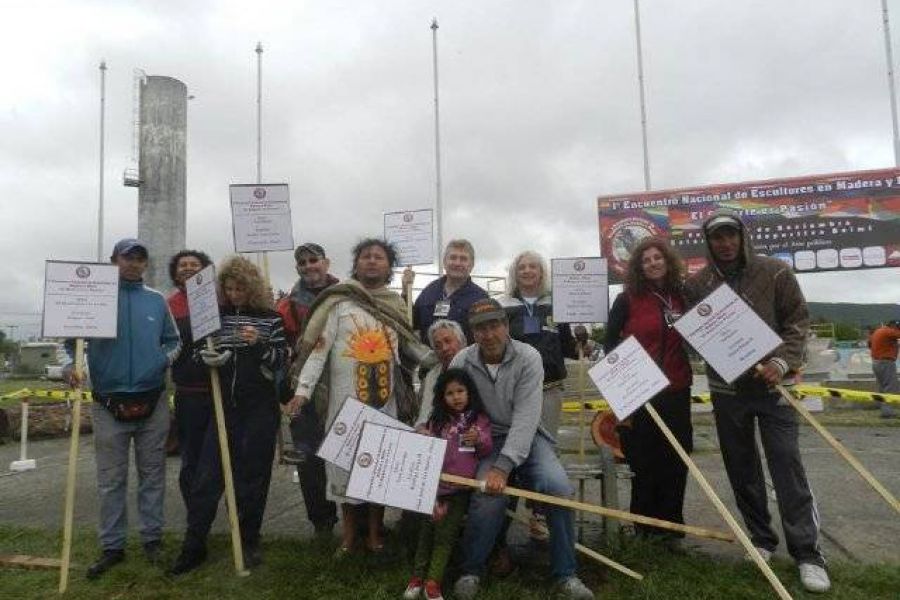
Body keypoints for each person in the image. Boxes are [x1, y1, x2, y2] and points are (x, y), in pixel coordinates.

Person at [684, 210, 830, 593]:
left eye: (731, 235)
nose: (725, 243)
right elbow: (693, 333)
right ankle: (761, 540)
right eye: (717, 237)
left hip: (773, 390)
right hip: (727, 392)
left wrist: (782, 362)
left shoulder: (776, 272)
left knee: (787, 467)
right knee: (741, 468)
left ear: (742, 236)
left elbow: (797, 321)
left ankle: (808, 554)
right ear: (708, 242)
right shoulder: (698, 285)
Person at [286, 238, 431, 556]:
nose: (372, 261)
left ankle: (375, 534)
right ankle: (349, 536)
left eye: (379, 257)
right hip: (343, 403)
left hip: (384, 401)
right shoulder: (337, 302)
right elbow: (319, 350)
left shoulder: (395, 303)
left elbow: (409, 346)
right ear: (357, 263)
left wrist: (438, 362)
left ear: (388, 266)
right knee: (343, 466)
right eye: (366, 256)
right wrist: (303, 391)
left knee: (378, 468)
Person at [450, 298, 594, 600]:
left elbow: (527, 416)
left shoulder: (529, 357)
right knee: (487, 496)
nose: (488, 335)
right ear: (473, 332)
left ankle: (566, 575)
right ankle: (471, 570)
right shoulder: (462, 360)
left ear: (506, 326)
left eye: (494, 326)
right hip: (486, 439)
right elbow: (446, 402)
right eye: (480, 329)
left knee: (558, 488)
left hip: (529, 437)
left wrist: (503, 467)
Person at [65, 238, 181, 580]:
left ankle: (152, 540)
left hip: (152, 401)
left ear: (145, 264)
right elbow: (68, 345)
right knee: (111, 480)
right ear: (113, 260)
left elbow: (174, 341)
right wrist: (69, 368)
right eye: (126, 258)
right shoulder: (93, 299)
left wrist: (161, 361)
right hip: (107, 403)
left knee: (153, 476)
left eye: (139, 259)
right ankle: (112, 546)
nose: (133, 264)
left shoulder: (157, 301)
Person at [170, 256, 289, 574]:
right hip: (222, 408)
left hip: (259, 410)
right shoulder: (212, 317)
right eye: (229, 288)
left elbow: (279, 361)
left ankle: (249, 540)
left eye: (239, 288)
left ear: (251, 288)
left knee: (252, 480)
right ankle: (194, 545)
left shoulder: (270, 318)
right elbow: (193, 355)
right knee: (206, 480)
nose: (234, 294)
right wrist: (205, 359)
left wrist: (257, 345)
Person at [604, 237, 693, 540]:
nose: (653, 263)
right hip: (639, 392)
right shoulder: (627, 299)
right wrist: (622, 382)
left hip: (676, 388)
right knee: (643, 458)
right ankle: (643, 526)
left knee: (675, 458)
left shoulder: (683, 296)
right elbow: (610, 343)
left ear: (667, 261)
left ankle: (672, 527)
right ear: (638, 267)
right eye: (646, 260)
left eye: (658, 258)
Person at [404, 368, 493, 600]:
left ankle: (432, 583)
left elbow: (487, 448)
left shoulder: (479, 420)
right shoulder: (437, 421)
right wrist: (423, 435)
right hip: (432, 488)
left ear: (469, 392)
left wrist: (479, 439)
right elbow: (426, 447)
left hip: (459, 491)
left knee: (445, 536)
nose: (456, 397)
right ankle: (416, 579)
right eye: (449, 393)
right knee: (426, 533)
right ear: (442, 398)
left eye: (460, 391)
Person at [275, 242, 340, 536]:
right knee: (310, 459)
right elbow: (279, 351)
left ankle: (358, 522)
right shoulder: (287, 306)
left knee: (346, 453)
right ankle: (322, 521)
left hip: (343, 384)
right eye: (302, 263)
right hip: (305, 391)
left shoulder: (346, 295)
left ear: (326, 263)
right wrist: (286, 395)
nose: (309, 266)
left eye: (314, 260)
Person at [499, 250, 576, 439]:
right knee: (516, 440)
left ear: (541, 272)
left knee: (548, 441)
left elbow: (566, 344)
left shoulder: (558, 303)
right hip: (514, 387)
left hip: (550, 387)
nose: (527, 271)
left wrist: (581, 344)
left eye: (533, 266)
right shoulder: (502, 305)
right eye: (521, 267)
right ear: (514, 273)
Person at [166, 250, 214, 513]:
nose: (188, 268)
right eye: (182, 265)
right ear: (175, 272)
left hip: (220, 391)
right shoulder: (169, 306)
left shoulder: (219, 299)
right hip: (189, 395)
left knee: (222, 457)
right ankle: (196, 515)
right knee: (192, 459)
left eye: (194, 265)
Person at [403, 239, 488, 343]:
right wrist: (406, 292)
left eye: (463, 259)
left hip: (465, 358)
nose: (457, 263)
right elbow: (411, 322)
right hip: (429, 357)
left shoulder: (481, 298)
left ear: (471, 265)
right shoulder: (429, 291)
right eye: (453, 258)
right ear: (444, 262)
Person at [415, 319, 467, 428]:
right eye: (438, 346)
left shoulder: (474, 368)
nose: (444, 348)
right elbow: (425, 413)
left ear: (461, 342)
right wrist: (421, 427)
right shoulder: (433, 375)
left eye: (448, 341)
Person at [868, 320, 900, 418]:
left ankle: (884, 410)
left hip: (876, 362)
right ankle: (887, 413)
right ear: (893, 326)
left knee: (883, 387)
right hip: (885, 362)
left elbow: (869, 343)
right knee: (890, 387)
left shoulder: (878, 331)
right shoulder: (888, 331)